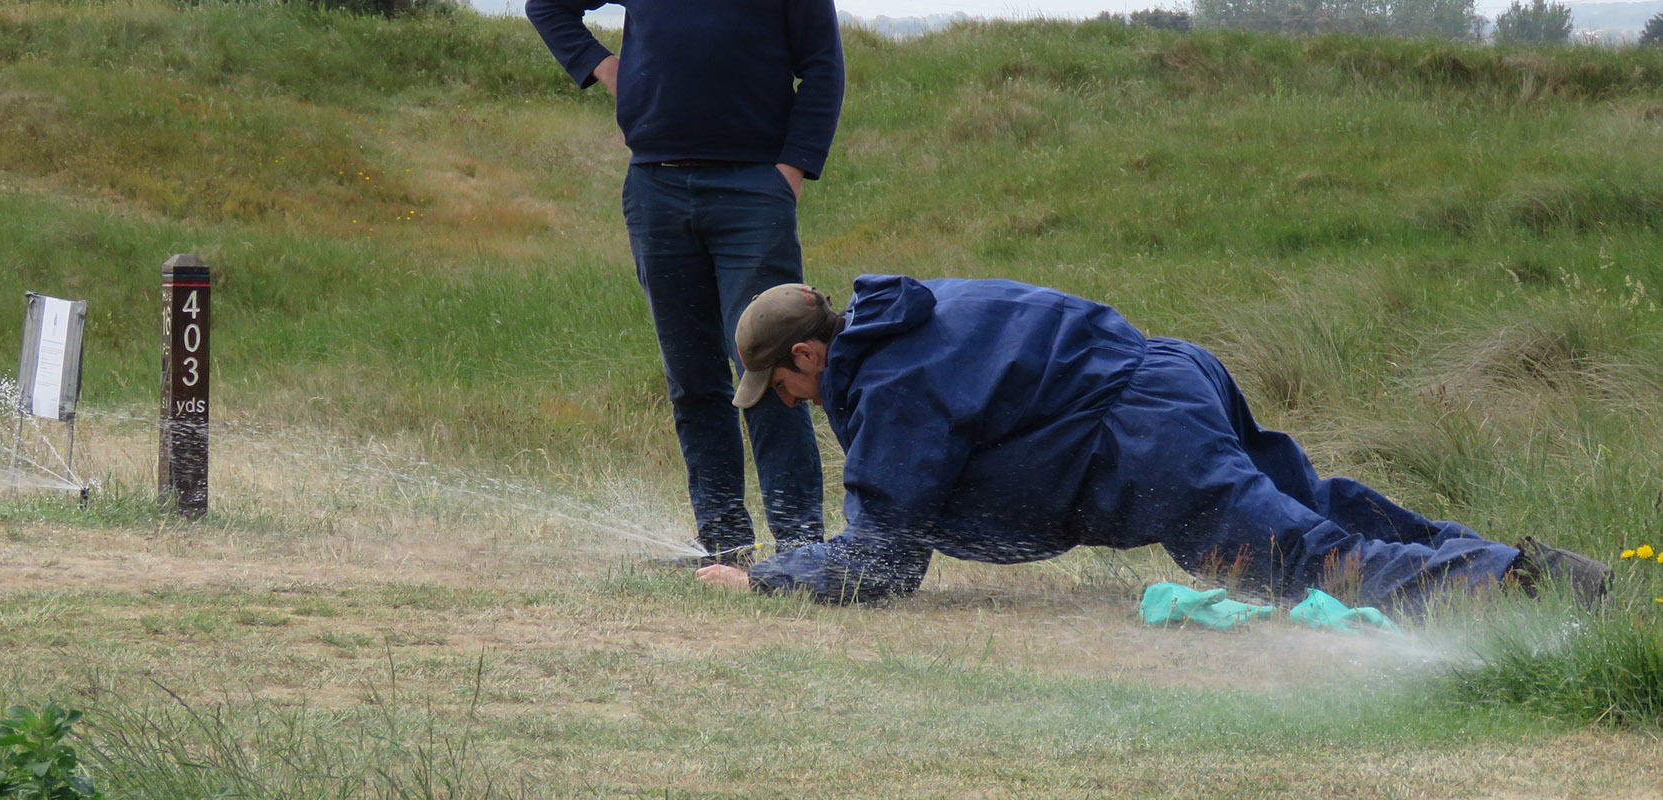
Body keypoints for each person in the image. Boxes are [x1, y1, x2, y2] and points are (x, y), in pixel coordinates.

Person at [695, 276, 1611, 612]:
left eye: (782, 384)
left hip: (1146, 437)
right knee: (1315, 502)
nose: (787, 401)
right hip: (1176, 370)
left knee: (1300, 557)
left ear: (808, 352)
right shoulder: (908, 315)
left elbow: (887, 555)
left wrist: (769, 578)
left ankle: (1518, 588)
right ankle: (1536, 567)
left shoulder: (889, 386)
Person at [525, 0, 845, 562]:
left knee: (768, 365)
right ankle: (724, 542)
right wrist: (601, 65)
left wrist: (792, 169)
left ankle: (800, 549)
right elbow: (547, 5)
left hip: (753, 188)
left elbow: (823, 66)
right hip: (655, 187)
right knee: (692, 376)